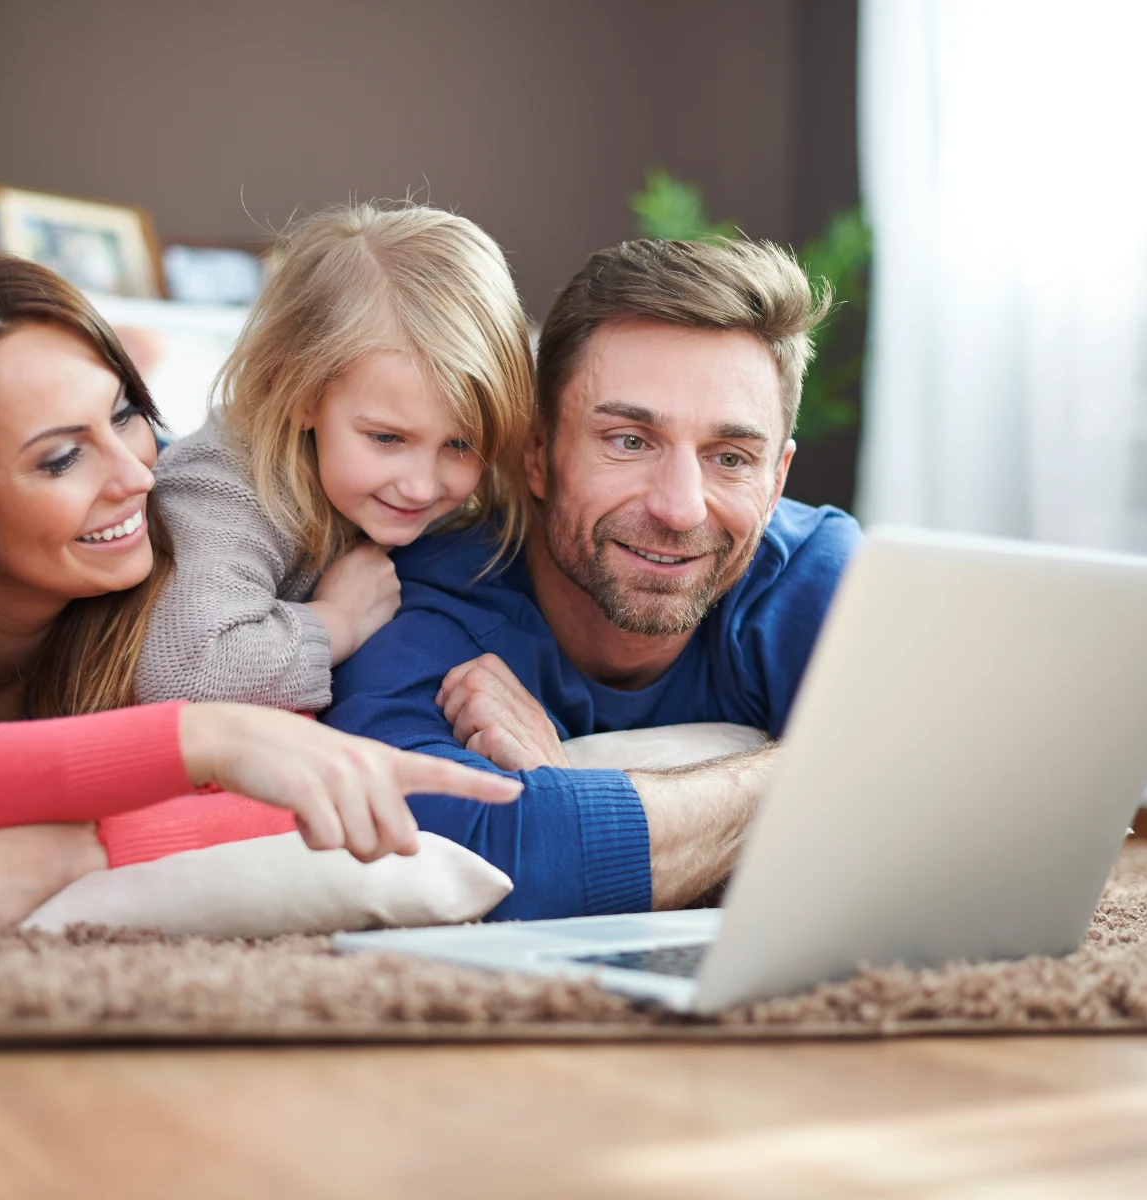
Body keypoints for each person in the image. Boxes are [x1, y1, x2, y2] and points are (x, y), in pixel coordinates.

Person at [0, 248, 519, 944]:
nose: (139, 476)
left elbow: (310, 780)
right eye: (61, 457)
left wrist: (72, 848)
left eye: (125, 413)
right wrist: (206, 737)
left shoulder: (192, 554)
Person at [323, 237, 863, 920]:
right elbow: (470, 863)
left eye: (730, 457)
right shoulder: (421, 605)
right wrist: (832, 769)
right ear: (538, 454)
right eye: (629, 442)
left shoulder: (814, 575)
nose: (680, 508)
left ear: (777, 479)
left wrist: (573, 789)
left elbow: (953, 806)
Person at [135, 202, 533, 712]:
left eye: (460, 445)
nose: (420, 486)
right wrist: (340, 619)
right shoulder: (224, 486)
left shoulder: (425, 499)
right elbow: (186, 669)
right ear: (299, 392)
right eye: (386, 438)